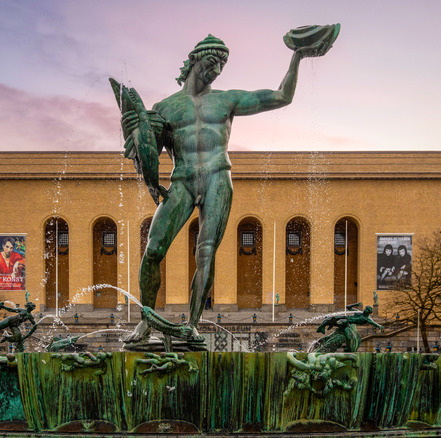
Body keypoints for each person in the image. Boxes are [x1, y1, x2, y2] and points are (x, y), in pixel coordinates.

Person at [122, 34, 321, 345]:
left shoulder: (226, 100)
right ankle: (146, 321)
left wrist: (297, 56)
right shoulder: (165, 108)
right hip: (182, 180)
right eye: (212, 62)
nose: (216, 70)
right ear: (194, 59)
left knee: (206, 252)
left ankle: (192, 324)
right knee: (153, 252)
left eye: (222, 66)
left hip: (218, 177)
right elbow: (147, 150)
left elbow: (282, 96)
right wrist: (136, 133)